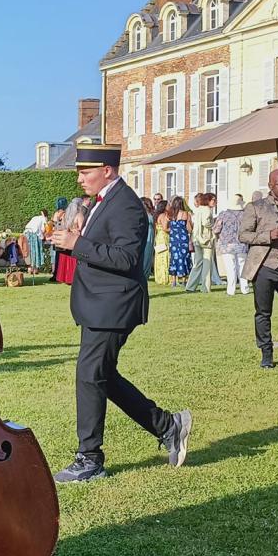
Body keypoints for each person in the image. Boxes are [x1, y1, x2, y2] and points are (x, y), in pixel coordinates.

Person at [50, 140, 193, 482]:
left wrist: (77, 244)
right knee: (102, 377)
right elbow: (106, 251)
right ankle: (168, 425)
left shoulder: (126, 205)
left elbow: (127, 260)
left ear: (107, 170)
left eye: (85, 172)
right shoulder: (105, 202)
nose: (80, 179)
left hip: (113, 305)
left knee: (89, 375)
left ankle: (89, 458)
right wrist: (72, 243)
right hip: (100, 304)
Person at [240, 169, 278, 369]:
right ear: (271, 186)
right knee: (263, 312)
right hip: (264, 266)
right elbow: (243, 235)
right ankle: (266, 353)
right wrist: (268, 235)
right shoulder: (256, 207)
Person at [215, 193, 249, 296]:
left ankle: (231, 289)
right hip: (241, 243)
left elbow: (216, 229)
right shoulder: (245, 214)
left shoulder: (223, 214)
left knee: (231, 267)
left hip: (227, 244)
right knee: (242, 267)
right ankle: (245, 288)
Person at [185, 192, 218, 293]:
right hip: (206, 239)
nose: (215, 202)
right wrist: (214, 223)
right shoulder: (207, 210)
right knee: (207, 264)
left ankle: (190, 285)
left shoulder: (199, 209)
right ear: (208, 200)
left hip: (197, 238)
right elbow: (206, 223)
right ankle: (205, 287)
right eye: (213, 200)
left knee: (198, 263)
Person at [166, 196, 192, 287]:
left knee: (174, 258)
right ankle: (184, 280)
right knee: (184, 258)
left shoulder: (170, 214)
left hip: (173, 240)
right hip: (183, 239)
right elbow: (189, 229)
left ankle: (174, 281)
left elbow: (167, 227)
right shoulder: (186, 214)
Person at [24, 209, 48, 275]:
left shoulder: (35, 217)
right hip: (34, 234)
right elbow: (43, 230)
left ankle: (29, 268)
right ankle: (35, 269)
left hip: (27, 233)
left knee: (29, 251)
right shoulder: (44, 219)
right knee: (36, 251)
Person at [140, 196, 157, 281]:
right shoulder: (140, 213)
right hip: (144, 234)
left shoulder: (151, 213)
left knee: (149, 254)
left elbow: (154, 226)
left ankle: (146, 272)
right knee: (144, 253)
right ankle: (142, 272)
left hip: (150, 233)